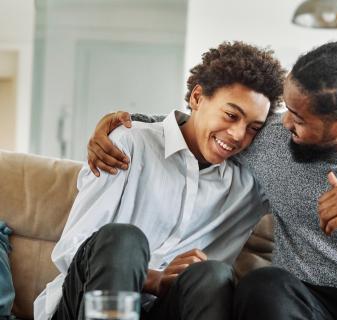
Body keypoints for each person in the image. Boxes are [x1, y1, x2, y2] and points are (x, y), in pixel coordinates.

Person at [89, 38, 337, 320]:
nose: (282, 124)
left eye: (298, 118)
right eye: (285, 110)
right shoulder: (274, 138)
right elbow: (201, 126)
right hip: (298, 301)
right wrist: (122, 124)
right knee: (263, 284)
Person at [33, 41, 286, 320]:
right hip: (86, 304)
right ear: (197, 97)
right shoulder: (128, 143)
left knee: (213, 273)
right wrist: (153, 279)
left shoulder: (252, 182)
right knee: (124, 239)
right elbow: (73, 248)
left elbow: (306, 125)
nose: (238, 134)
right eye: (230, 115)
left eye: (253, 128)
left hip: (166, 310)